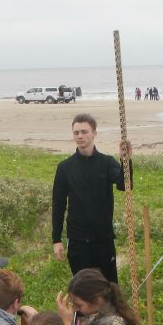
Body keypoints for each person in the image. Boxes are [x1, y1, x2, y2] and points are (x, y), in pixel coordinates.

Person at [51, 113, 132, 284]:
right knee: (82, 289)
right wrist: (56, 239)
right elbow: (58, 204)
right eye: (76, 132)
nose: (80, 136)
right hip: (77, 242)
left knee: (108, 287)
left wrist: (126, 161)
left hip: (103, 239)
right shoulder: (65, 167)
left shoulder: (107, 163)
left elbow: (125, 185)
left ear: (94, 133)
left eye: (84, 132)